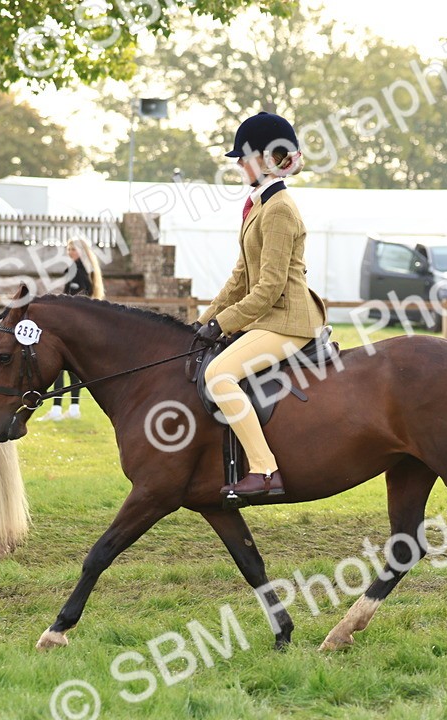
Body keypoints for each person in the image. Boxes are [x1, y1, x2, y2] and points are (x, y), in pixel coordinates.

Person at [194, 111, 327, 499]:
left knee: (219, 376)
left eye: (243, 156)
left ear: (269, 159)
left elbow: (268, 288)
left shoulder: (280, 209)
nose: (237, 163)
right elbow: (239, 279)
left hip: (288, 320)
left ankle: (265, 471)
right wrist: (201, 322)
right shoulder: (261, 206)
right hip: (270, 317)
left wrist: (224, 324)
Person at [40, 238, 105, 422]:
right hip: (82, 325)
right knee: (73, 369)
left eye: (73, 249)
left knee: (59, 367)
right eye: (68, 249)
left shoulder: (76, 270)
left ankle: (56, 410)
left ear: (81, 251)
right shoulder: (88, 270)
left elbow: (74, 300)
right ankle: (74, 408)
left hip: (72, 325)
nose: (70, 252)